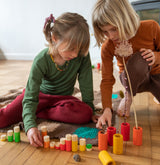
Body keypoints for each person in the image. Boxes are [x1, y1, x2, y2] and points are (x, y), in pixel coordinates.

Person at [0, 12, 96, 147]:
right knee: (3, 118)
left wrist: (90, 107)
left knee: (85, 113)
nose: (75, 54)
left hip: (64, 99)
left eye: (79, 49)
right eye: (71, 48)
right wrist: (30, 126)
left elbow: (86, 81)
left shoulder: (81, 56)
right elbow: (30, 96)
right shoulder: (41, 60)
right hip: (39, 97)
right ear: (55, 38)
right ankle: (33, 112)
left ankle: (37, 112)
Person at [92, 0, 160, 129]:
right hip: (131, 80)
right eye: (105, 32)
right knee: (139, 60)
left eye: (114, 29)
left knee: (145, 57)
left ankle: (155, 92)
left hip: (157, 75)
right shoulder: (108, 46)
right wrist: (107, 109)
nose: (111, 36)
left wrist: (155, 57)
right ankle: (128, 96)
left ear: (126, 19)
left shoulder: (151, 27)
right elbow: (107, 79)